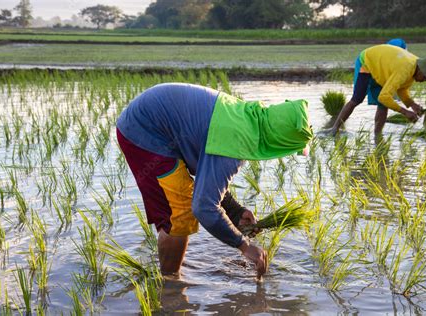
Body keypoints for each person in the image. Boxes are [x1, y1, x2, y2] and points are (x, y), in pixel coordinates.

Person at [116, 83, 313, 278]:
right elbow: (204, 207)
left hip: (156, 122)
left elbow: (207, 174)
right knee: (180, 215)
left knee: (183, 209)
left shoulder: (249, 120)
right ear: (281, 141)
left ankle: (169, 279)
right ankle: (170, 286)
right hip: (143, 130)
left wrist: (234, 211)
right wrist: (244, 246)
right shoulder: (238, 137)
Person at [331, 44, 426, 136]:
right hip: (366, 62)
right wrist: (405, 112)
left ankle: (377, 136)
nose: (425, 80)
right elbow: (384, 97)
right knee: (357, 99)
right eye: (425, 77)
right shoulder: (405, 70)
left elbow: (402, 89)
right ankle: (334, 129)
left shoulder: (414, 69)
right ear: (421, 70)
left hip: (382, 70)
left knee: (383, 105)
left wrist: (412, 104)